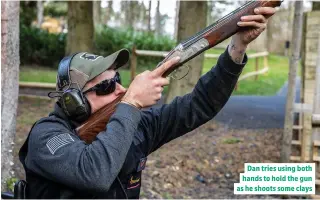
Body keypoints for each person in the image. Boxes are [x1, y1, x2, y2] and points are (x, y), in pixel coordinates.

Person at [19, 7, 276, 199]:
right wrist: (130, 104)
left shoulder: (133, 125)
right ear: (73, 101)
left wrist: (236, 49)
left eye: (118, 79)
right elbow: (94, 173)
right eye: (107, 85)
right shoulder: (47, 136)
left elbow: (200, 105)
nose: (121, 89)